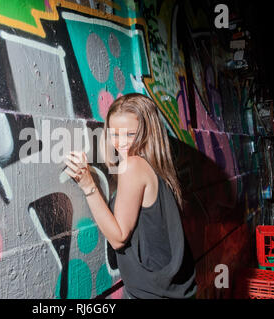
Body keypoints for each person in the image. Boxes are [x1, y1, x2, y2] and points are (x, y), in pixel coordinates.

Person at [64, 93, 197, 299]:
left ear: (147, 131)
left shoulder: (133, 165)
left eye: (130, 134)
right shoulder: (159, 167)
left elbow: (118, 238)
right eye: (115, 134)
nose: (121, 143)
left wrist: (88, 184)